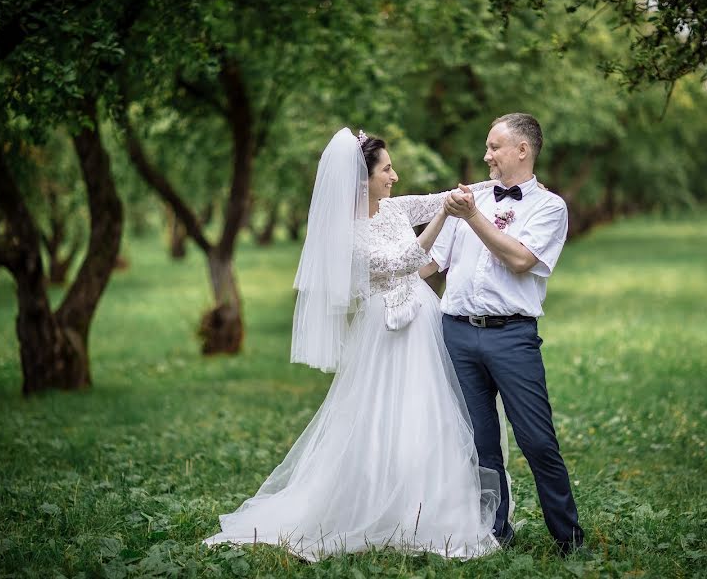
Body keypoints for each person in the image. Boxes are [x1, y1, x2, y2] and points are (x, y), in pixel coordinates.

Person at [202, 128, 500, 561]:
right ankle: (376, 504)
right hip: (386, 331)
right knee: (383, 415)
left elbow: (440, 198)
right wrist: (444, 219)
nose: (395, 176)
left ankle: (430, 507)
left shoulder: (395, 209)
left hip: (422, 324)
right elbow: (402, 262)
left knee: (428, 411)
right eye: (387, 169)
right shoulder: (348, 232)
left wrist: (503, 188)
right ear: (363, 180)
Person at [431, 113, 584, 554]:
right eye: (486, 147)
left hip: (511, 336)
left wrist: (473, 216)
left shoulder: (549, 207)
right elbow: (430, 263)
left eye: (494, 147)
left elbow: (519, 259)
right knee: (479, 442)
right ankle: (493, 531)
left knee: (536, 439)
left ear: (523, 149)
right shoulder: (467, 201)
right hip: (456, 334)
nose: (486, 156)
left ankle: (568, 538)